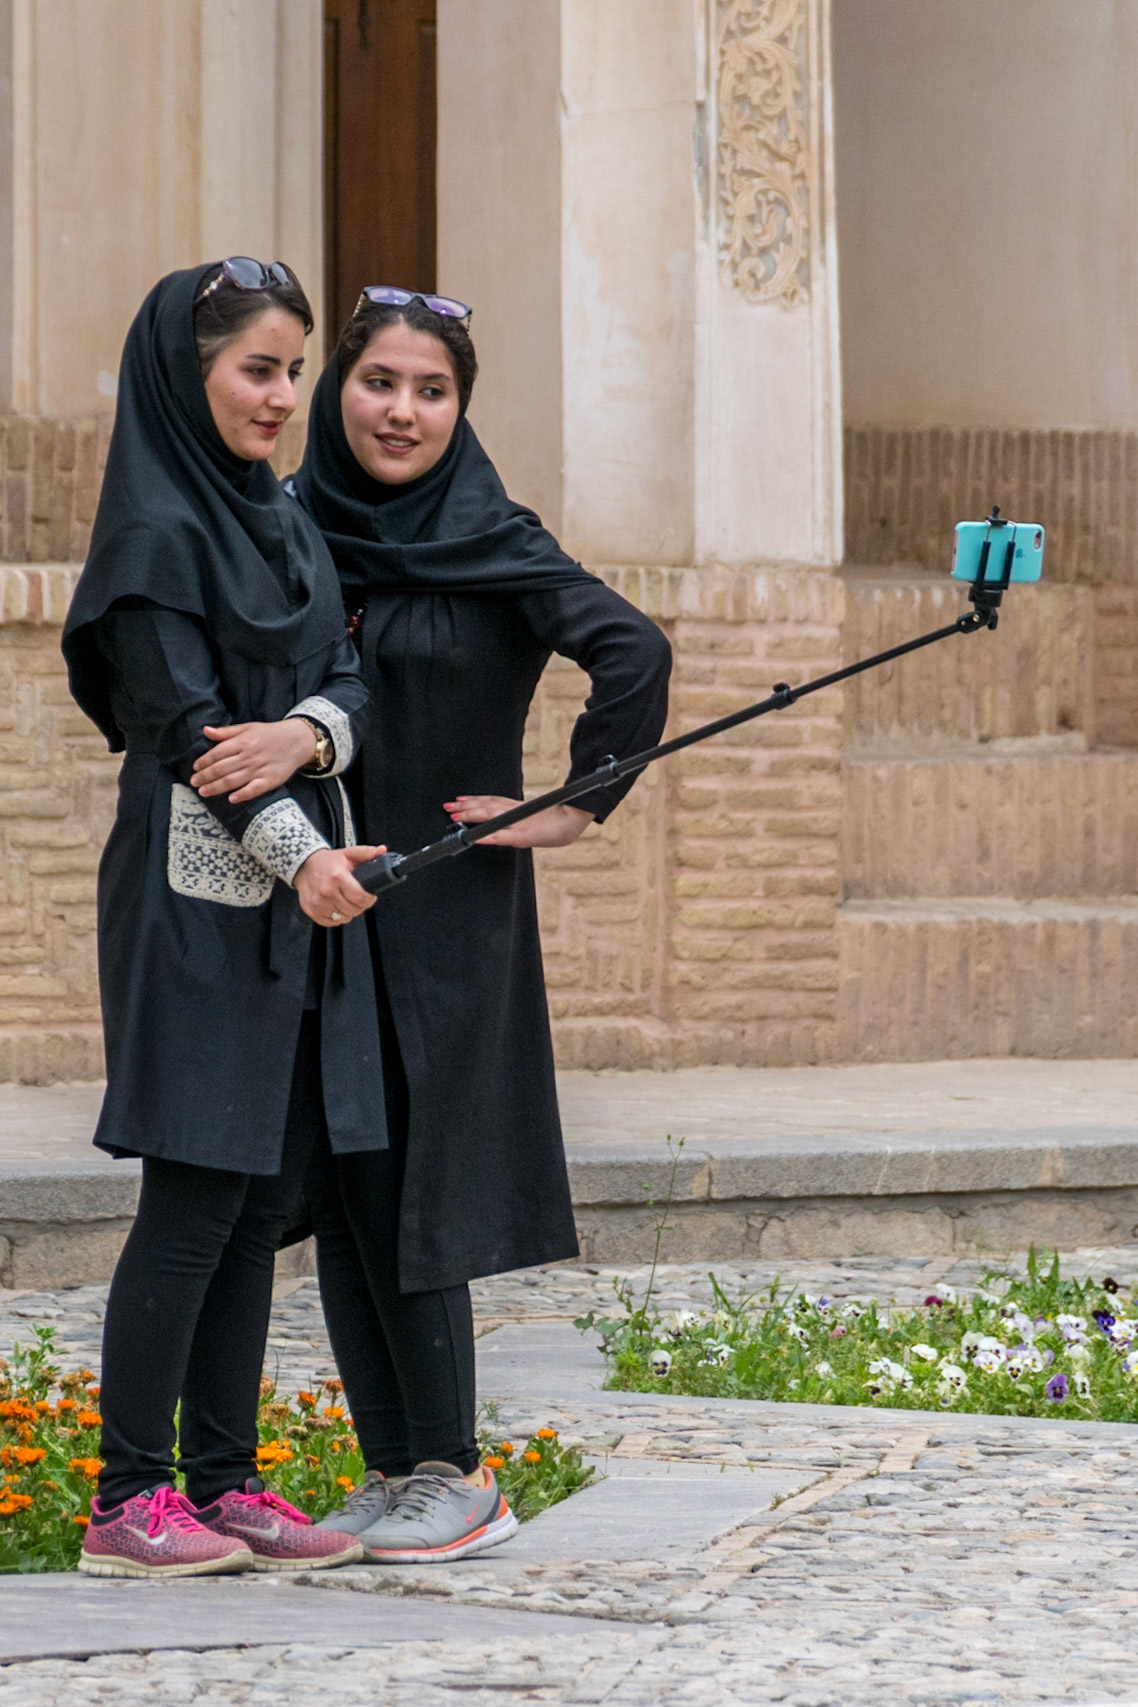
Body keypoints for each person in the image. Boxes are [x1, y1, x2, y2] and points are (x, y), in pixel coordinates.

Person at [287, 284, 673, 1562]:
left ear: (460, 408)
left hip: (446, 903)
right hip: (316, 900)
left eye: (431, 390)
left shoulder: (494, 540)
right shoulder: (290, 531)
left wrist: (568, 807)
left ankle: (456, 1472)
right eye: (380, 383)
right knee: (346, 1185)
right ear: (339, 392)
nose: (402, 411)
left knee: (415, 1180)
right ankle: (392, 1466)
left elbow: (633, 652)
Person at [61, 259, 388, 1578]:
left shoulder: (282, 520)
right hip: (195, 900)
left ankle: (224, 1480)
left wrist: (310, 726)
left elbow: (345, 671)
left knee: (254, 1197)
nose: (282, 395)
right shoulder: (156, 533)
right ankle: (130, 1498)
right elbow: (187, 730)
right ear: (186, 374)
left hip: (281, 899)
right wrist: (303, 846)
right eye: (258, 367)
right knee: (194, 1190)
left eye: (294, 369)